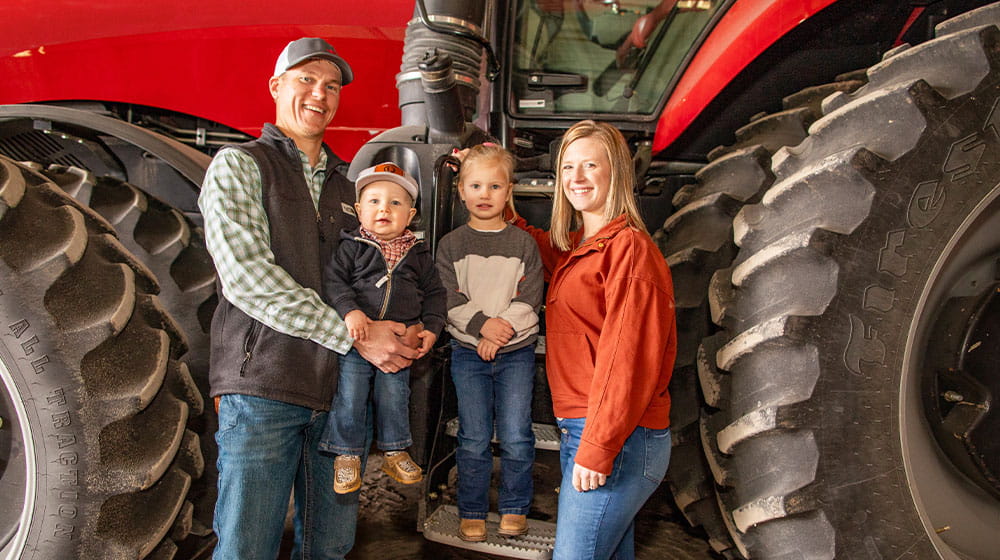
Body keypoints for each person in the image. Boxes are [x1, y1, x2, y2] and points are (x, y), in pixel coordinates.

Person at [198, 37, 418, 560]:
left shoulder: (351, 190)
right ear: (276, 86)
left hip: (339, 399)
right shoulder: (240, 165)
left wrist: (408, 325)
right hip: (264, 389)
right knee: (246, 549)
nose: (320, 93)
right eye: (306, 80)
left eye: (332, 86)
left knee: (330, 548)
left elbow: (375, 279)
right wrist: (358, 335)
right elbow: (248, 277)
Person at [513, 120, 676, 559]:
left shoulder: (629, 250)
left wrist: (598, 448)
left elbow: (628, 362)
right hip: (588, 428)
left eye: (590, 165)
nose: (577, 178)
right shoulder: (583, 248)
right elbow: (556, 257)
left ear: (616, 172)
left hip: (618, 436)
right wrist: (499, 208)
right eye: (568, 167)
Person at [435, 144, 544, 542]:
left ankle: (515, 508)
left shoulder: (523, 244)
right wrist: (483, 328)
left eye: (495, 186)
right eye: (476, 186)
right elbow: (449, 298)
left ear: (508, 192)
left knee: (516, 435)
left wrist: (500, 333)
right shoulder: (451, 245)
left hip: (515, 354)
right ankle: (473, 510)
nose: (485, 194)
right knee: (474, 437)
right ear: (461, 192)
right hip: (468, 353)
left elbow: (530, 296)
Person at [319, 162, 446, 494]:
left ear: (410, 215)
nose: (384, 209)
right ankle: (346, 454)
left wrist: (432, 327)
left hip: (400, 340)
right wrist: (350, 311)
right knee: (350, 395)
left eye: (395, 203)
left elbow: (435, 293)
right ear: (359, 210)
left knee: (395, 396)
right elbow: (334, 282)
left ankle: (395, 449)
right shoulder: (352, 246)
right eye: (374, 201)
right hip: (359, 338)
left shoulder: (418, 255)